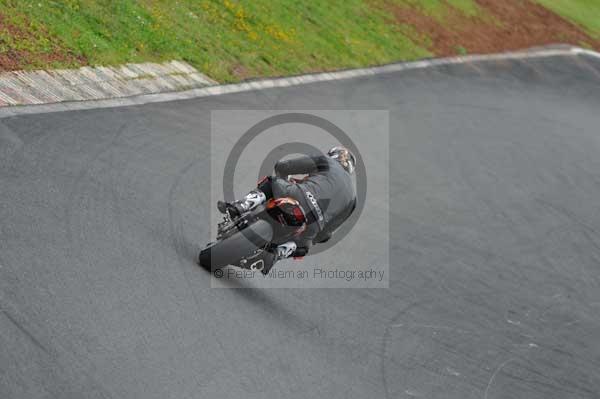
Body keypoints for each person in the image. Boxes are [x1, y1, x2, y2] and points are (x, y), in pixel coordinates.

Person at [218, 146, 357, 264]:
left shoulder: (327, 162)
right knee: (303, 247)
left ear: (333, 155)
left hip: (299, 194)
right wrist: (310, 240)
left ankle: (242, 205)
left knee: (272, 182)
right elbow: (327, 233)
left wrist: (281, 171)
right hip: (315, 224)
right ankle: (278, 254)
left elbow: (286, 166)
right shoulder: (352, 199)